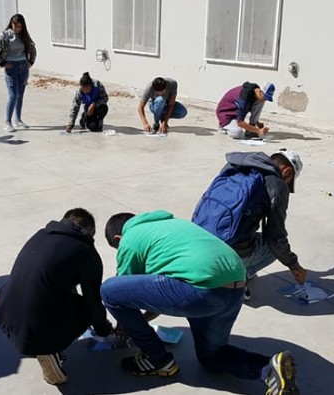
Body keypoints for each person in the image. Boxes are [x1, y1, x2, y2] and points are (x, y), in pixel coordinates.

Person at [100, 211, 299, 394]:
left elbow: (121, 294)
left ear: (118, 239)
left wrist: (125, 327)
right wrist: (142, 320)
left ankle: (156, 359)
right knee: (212, 357)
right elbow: (155, 294)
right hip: (235, 287)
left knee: (108, 290)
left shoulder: (130, 239)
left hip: (202, 290)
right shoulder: (170, 224)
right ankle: (269, 368)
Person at [0, 208, 113, 385]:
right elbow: (93, 302)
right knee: (86, 309)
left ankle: (32, 340)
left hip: (4, 313)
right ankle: (47, 348)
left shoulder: (40, 235)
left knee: (43, 290)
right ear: (90, 233)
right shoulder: (86, 252)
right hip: (36, 326)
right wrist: (104, 330)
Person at [196, 150, 307, 302]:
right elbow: (276, 238)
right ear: (287, 172)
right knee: (272, 247)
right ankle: (235, 281)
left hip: (198, 240)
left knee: (248, 235)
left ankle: (225, 272)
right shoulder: (276, 184)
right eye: (289, 182)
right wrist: (294, 266)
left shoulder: (234, 166)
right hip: (224, 253)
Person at [0, 14, 37, 133]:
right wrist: (1, 63)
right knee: (13, 95)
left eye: (20, 26)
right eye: (15, 26)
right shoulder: (5, 35)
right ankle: (8, 122)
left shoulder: (24, 36)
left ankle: (18, 120)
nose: (17, 29)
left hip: (23, 67)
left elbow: (33, 49)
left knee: (20, 95)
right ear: (11, 24)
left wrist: (31, 61)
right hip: (11, 68)